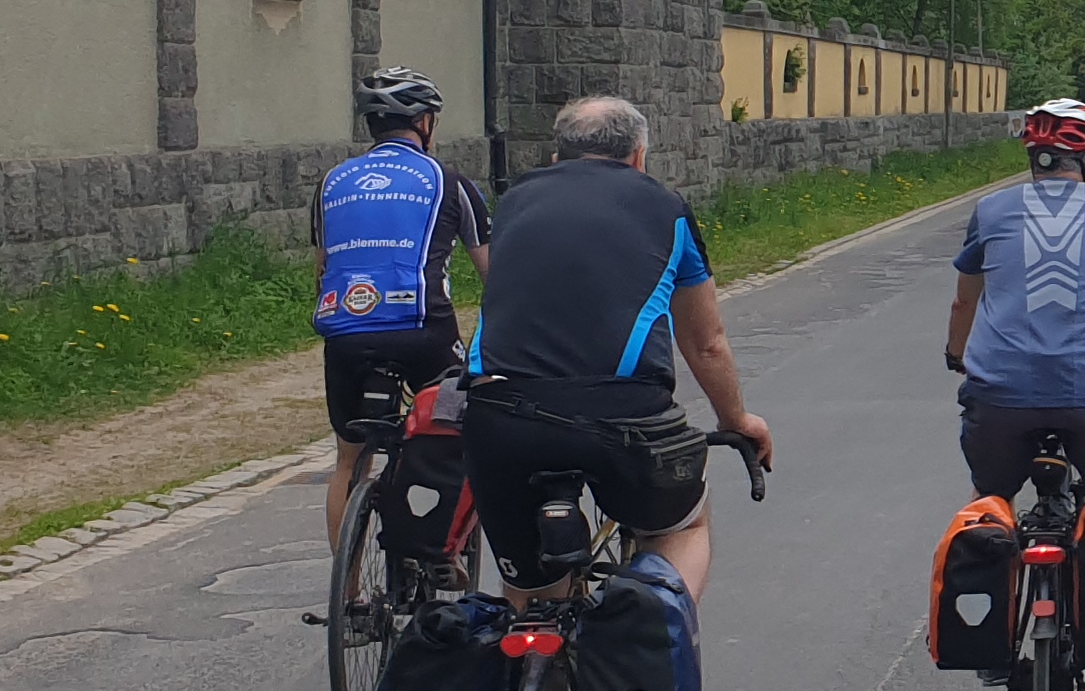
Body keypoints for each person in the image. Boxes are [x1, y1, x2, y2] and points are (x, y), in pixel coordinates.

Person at [459, 95, 773, 599]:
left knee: (531, 591)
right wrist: (736, 420)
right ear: (639, 156)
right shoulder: (666, 208)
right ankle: (656, 626)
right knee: (681, 527)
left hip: (501, 414)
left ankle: (532, 637)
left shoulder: (514, 201)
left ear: (556, 157)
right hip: (623, 417)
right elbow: (706, 343)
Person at [946, 100, 1085, 501]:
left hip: (1000, 394)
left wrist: (956, 354)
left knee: (989, 497)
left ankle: (989, 529)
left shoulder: (989, 211)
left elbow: (963, 304)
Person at [314, 67, 487, 563]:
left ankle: (348, 592)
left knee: (348, 461)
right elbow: (492, 273)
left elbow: (324, 266)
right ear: (424, 123)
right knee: (460, 431)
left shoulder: (332, 183)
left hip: (346, 332)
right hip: (422, 331)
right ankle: (445, 556)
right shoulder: (448, 181)